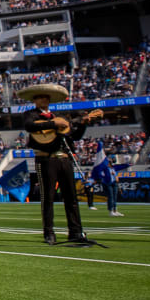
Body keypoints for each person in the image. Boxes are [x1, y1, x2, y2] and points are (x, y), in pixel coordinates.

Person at [19, 83, 101, 245]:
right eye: (41, 97)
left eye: (46, 97)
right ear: (35, 100)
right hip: (46, 159)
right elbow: (29, 126)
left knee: (71, 197)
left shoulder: (60, 116)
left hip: (64, 158)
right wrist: (53, 124)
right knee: (48, 197)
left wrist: (83, 123)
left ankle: (75, 231)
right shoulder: (31, 114)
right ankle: (49, 232)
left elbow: (74, 136)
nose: (44, 100)